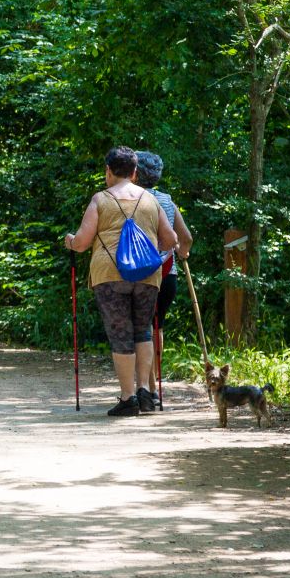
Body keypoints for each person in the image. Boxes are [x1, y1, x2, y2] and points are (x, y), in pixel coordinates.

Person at [63, 146, 178, 417]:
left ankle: (128, 399)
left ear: (108, 171)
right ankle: (146, 394)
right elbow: (171, 240)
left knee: (121, 335)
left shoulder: (100, 200)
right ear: (135, 173)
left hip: (109, 275)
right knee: (143, 330)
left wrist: (69, 241)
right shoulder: (151, 201)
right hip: (148, 274)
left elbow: (81, 243)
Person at [135, 150, 195, 406]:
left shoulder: (132, 199)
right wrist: (182, 253)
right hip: (168, 274)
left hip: (141, 273)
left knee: (142, 327)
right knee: (157, 327)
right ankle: (154, 383)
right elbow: (186, 238)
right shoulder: (168, 201)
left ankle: (147, 387)